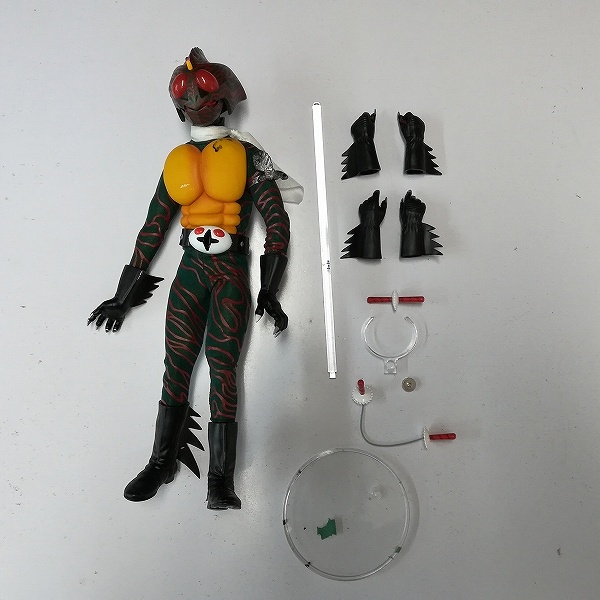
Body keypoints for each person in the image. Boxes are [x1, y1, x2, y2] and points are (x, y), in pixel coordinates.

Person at [88, 47, 294, 510]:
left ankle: (220, 480)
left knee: (224, 369)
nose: (195, 102)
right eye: (186, 95)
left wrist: (270, 288)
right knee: (176, 364)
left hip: (230, 271)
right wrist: (123, 295)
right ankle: (161, 461)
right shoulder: (177, 161)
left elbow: (275, 219)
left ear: (224, 100)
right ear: (179, 106)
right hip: (191, 270)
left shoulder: (249, 156)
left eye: (204, 92)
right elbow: (155, 224)